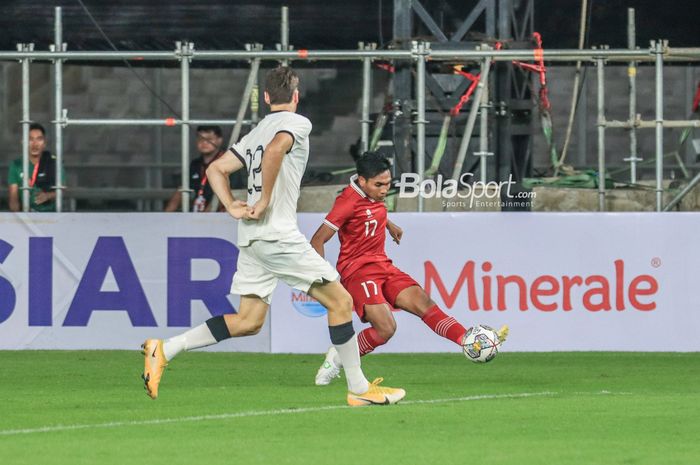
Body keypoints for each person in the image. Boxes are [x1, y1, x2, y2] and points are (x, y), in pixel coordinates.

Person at [142, 67, 405, 406]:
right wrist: (264, 200)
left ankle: (165, 348)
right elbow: (276, 151)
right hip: (277, 235)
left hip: (252, 237)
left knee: (248, 321)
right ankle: (359, 388)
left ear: (266, 98)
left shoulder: (256, 131)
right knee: (340, 301)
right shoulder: (297, 123)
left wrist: (233, 206)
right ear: (296, 97)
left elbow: (215, 169)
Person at [311, 152, 508, 386]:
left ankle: (470, 342)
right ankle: (338, 357)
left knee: (424, 302)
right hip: (358, 271)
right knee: (385, 329)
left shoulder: (371, 193)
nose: (384, 190)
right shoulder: (347, 202)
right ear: (362, 181)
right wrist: (324, 283)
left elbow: (371, 213)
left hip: (382, 265)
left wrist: (389, 225)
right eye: (379, 185)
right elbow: (317, 240)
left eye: (388, 184)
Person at [164, 125, 226, 212]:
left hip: (221, 218)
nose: (204, 143)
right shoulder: (195, 164)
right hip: (198, 214)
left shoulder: (228, 163)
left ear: (219, 140)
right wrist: (165, 216)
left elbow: (229, 194)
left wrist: (205, 218)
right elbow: (182, 190)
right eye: (200, 139)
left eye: (209, 139)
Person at [8, 123, 61, 212]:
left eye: (39, 139)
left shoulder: (54, 162)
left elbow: (63, 191)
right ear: (23, 142)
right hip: (27, 214)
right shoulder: (16, 165)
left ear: (44, 143)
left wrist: (48, 195)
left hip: (52, 217)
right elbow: (13, 198)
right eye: (30, 139)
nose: (35, 144)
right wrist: (19, 218)